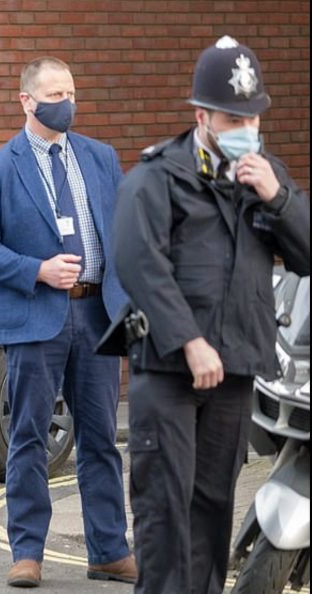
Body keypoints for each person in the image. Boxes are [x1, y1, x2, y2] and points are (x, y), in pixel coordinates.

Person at [112, 36, 310, 594]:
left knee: (211, 515)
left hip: (235, 371)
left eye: (252, 115)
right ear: (202, 116)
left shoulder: (263, 176)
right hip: (171, 371)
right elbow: (139, 264)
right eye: (231, 117)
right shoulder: (156, 177)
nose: (245, 126)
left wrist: (281, 201)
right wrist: (189, 341)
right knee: (165, 518)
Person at [0, 57, 136, 588]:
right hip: (36, 318)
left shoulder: (101, 158)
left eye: (71, 92)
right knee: (29, 436)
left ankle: (108, 550)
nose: (67, 102)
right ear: (27, 101)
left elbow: (127, 230)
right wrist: (35, 269)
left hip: (97, 314)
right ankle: (28, 553)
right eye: (56, 93)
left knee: (102, 438)